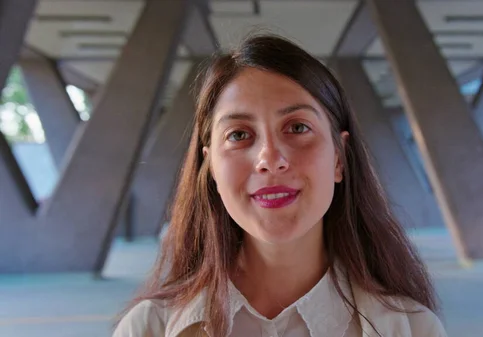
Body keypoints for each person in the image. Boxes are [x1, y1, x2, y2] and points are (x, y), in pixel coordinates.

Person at [113, 34, 447, 337]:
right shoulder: (148, 329)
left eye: (298, 127)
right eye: (239, 135)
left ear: (339, 159)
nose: (270, 158)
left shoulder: (413, 328)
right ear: (211, 166)